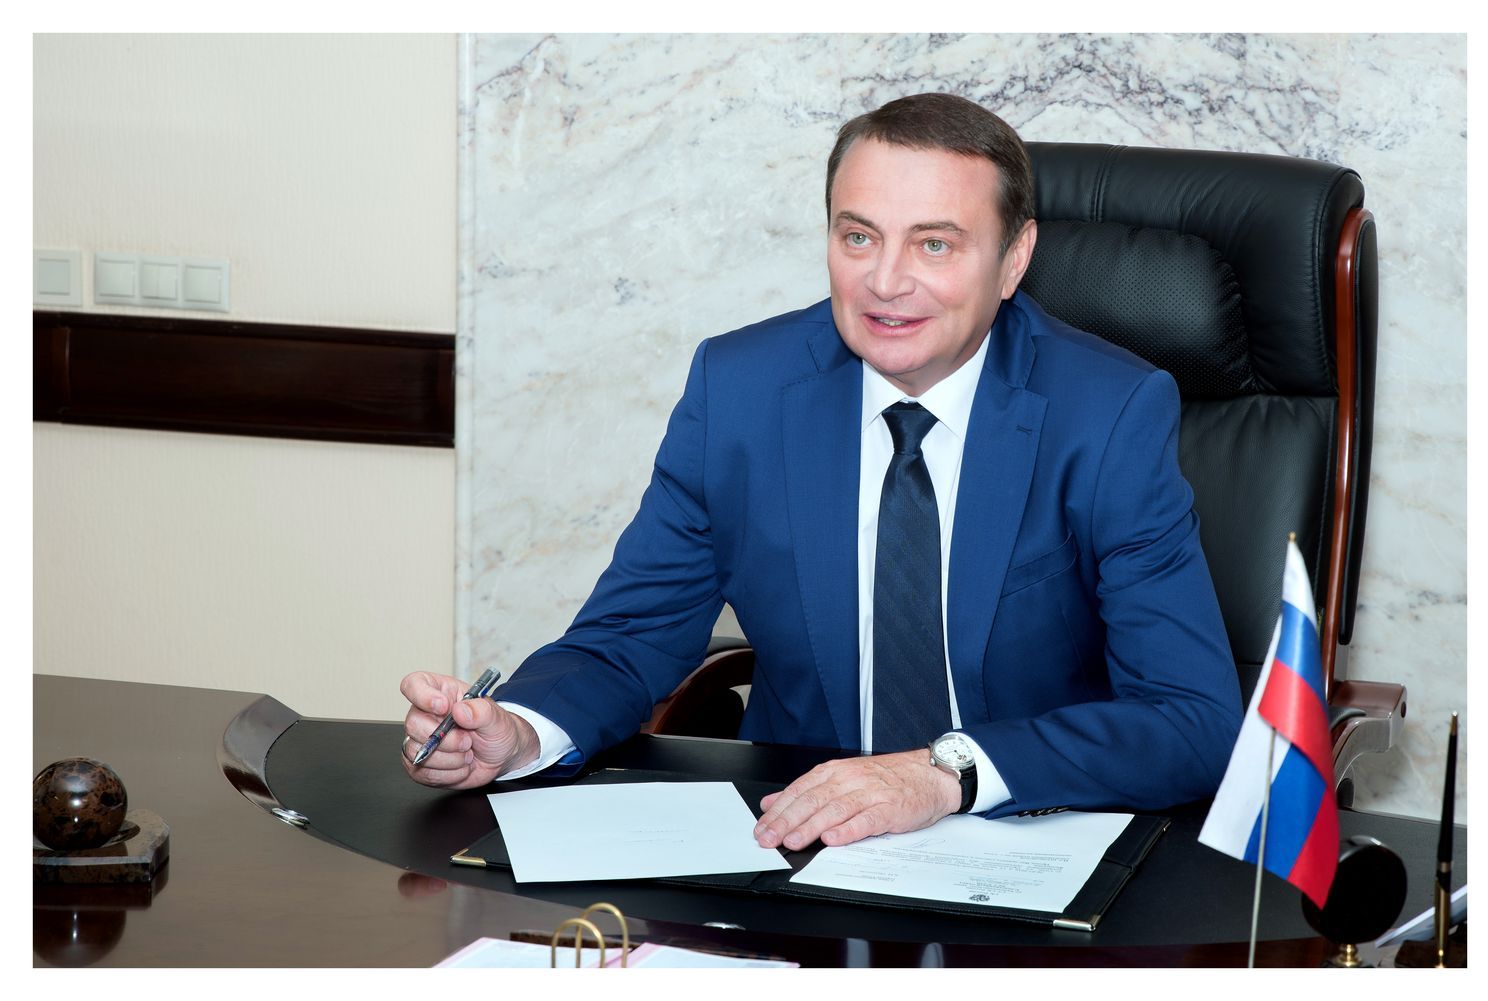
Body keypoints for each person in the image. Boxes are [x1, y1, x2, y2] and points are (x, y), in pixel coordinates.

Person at [400, 93, 1243, 854]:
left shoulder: (1107, 414)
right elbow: (627, 636)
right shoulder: (741, 393)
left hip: (1025, 844)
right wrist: (521, 731)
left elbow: (1192, 719)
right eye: (858, 237)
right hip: (797, 838)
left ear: (1014, 259)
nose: (886, 281)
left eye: (935, 244)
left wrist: (945, 772)